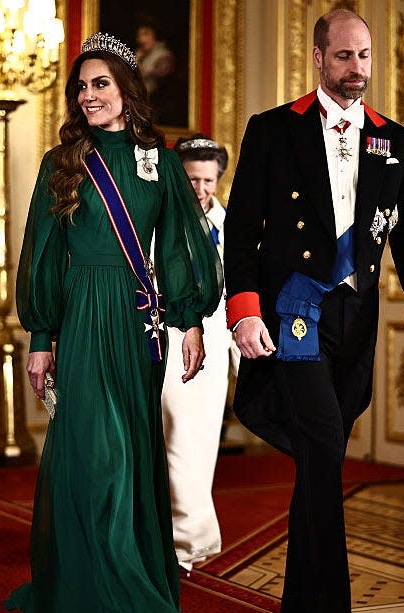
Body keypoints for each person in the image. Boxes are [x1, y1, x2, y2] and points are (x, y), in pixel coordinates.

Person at [223, 9, 404, 613]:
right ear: (318, 58)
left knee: (319, 460)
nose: (357, 70)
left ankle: (294, 608)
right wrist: (244, 311)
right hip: (291, 314)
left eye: (365, 56)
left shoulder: (393, 141)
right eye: (344, 57)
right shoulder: (272, 130)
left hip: (354, 321)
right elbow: (242, 228)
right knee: (324, 455)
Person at [5, 32, 221, 613]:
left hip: (135, 326)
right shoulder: (61, 162)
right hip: (79, 322)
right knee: (97, 460)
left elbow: (186, 240)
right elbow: (42, 252)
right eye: (81, 86)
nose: (88, 95)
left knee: (130, 457)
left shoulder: (157, 158)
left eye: (100, 83)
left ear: (128, 90)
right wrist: (41, 337)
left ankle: (131, 596)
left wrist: (190, 321)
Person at [162, 134, 232, 574]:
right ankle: (182, 543)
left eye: (208, 180)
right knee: (176, 438)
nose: (201, 189)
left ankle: (191, 539)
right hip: (171, 340)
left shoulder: (230, 223)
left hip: (218, 344)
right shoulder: (161, 221)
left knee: (202, 442)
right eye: (192, 179)